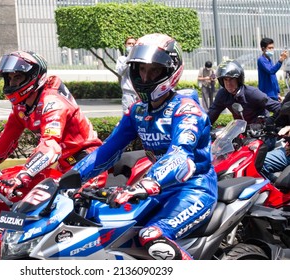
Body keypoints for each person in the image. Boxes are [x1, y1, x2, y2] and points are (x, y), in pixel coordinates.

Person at [71, 33, 218, 260]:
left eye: (154, 71)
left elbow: (180, 155)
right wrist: (68, 179)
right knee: (112, 229)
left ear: (170, 72)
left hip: (194, 188)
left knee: (152, 237)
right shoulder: (137, 111)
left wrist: (148, 182)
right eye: (141, 70)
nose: (146, 77)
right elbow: (106, 151)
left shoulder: (187, 110)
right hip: (156, 190)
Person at [0, 50, 107, 198]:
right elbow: (3, 144)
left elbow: (50, 147)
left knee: (66, 211)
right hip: (64, 167)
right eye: (10, 78)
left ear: (33, 76)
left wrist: (23, 175)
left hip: (88, 165)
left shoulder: (53, 102)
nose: (12, 83)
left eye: (18, 77)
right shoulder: (21, 106)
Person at [207, 59, 281, 125]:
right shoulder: (223, 95)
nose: (228, 83)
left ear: (238, 79)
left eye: (231, 79)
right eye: (225, 79)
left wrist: (270, 121)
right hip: (241, 132)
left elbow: (279, 108)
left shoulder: (252, 93)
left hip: (261, 133)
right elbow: (211, 115)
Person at [115, 36, 139, 113]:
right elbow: (120, 72)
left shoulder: (140, 58)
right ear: (125, 45)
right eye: (129, 43)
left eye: (133, 44)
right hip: (128, 93)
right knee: (127, 115)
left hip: (140, 93)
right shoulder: (121, 59)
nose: (131, 45)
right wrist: (128, 58)